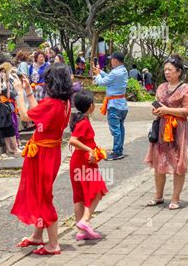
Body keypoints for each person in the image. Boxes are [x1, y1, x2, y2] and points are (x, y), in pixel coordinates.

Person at [11, 63, 73, 255]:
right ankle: (38, 235)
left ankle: (53, 244)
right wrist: (29, 93)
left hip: (42, 154)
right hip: (49, 152)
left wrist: (19, 93)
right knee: (40, 192)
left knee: (43, 196)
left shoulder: (52, 103)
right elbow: (39, 118)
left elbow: (26, 116)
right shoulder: (64, 103)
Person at [144, 55, 188, 210]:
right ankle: (158, 196)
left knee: (178, 161)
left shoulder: (186, 89)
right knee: (160, 160)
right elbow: (157, 105)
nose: (167, 72)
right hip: (161, 127)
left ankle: (175, 198)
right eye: (165, 69)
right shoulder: (161, 87)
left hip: (178, 129)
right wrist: (157, 111)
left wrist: (168, 110)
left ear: (178, 71)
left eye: (170, 70)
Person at [69, 91, 108, 240]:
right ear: (90, 105)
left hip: (79, 161)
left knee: (79, 196)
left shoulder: (82, 119)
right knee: (98, 190)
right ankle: (85, 220)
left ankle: (81, 231)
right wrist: (90, 149)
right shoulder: (84, 122)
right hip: (83, 162)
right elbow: (73, 140)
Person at [92, 51, 128, 161]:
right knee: (120, 128)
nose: (110, 61)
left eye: (111, 59)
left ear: (115, 60)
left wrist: (98, 74)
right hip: (121, 104)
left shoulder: (116, 73)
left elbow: (103, 82)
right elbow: (109, 78)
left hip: (114, 105)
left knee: (115, 130)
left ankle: (117, 152)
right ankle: (119, 149)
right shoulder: (122, 70)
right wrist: (100, 71)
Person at [0, 62, 20, 156]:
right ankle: (10, 148)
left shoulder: (4, 82)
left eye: (4, 72)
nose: (3, 73)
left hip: (6, 104)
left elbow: (8, 95)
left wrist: (7, 83)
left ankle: (13, 147)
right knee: (7, 127)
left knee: (9, 126)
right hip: (0, 107)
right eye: (1, 72)